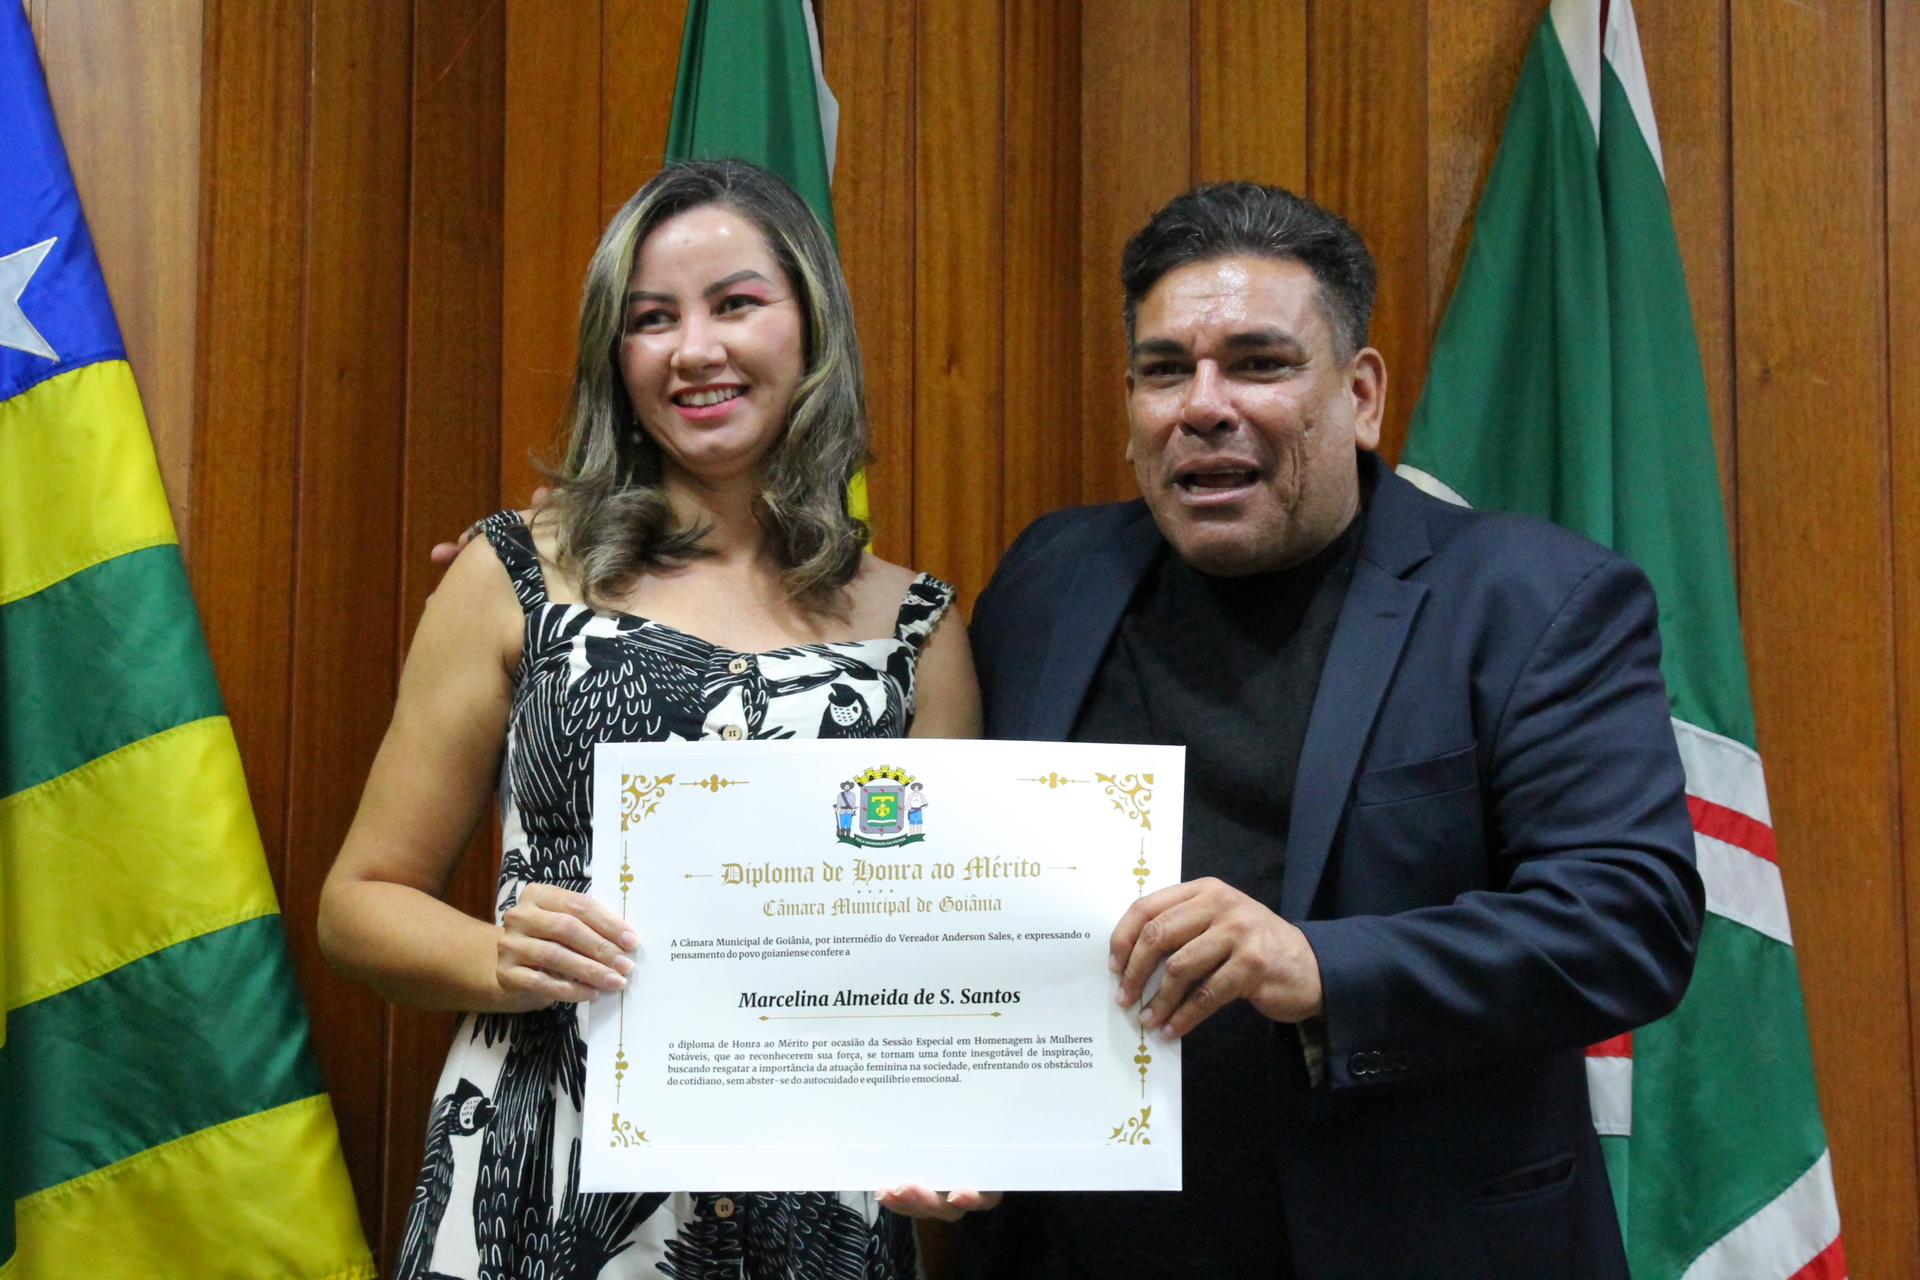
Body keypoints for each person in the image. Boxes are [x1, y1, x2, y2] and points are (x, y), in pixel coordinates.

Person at [960, 183, 1703, 1279]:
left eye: (1258, 364)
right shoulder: (1049, 578)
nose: (1203, 406)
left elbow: (1629, 918)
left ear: (1359, 395)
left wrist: (1321, 964)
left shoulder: (1532, 600)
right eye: (1165, 371)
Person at [318, 158, 990, 1280]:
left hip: (816, 1199)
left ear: (810, 327)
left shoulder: (917, 626)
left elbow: (939, 953)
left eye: (736, 303)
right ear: (614, 355)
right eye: (652, 319)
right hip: (543, 1174)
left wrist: (961, 1137)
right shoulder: (514, 572)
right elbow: (358, 904)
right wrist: (501, 955)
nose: (695, 349)